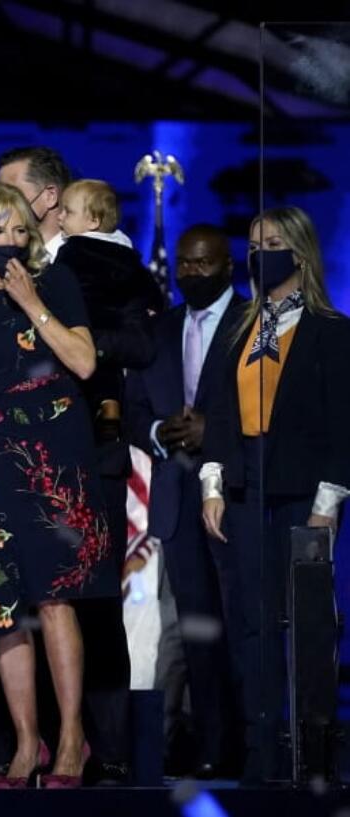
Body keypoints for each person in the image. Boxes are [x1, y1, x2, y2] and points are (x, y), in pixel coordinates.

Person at [0, 182, 116, 789]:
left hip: (55, 458)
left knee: (55, 597)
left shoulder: (56, 284)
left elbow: (85, 363)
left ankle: (71, 739)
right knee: (0, 606)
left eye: (19, 231)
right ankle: (25, 744)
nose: (10, 242)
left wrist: (33, 301)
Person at [0, 152, 154, 783]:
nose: (5, 208)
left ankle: (107, 752)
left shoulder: (102, 262)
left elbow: (142, 341)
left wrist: (78, 336)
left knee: (92, 601)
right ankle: (31, 741)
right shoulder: (11, 265)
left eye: (14, 195)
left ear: (52, 201)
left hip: (92, 451)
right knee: (26, 604)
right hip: (26, 455)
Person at [200, 206, 350, 783]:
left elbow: (342, 426)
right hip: (245, 484)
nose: (262, 252)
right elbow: (216, 408)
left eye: (275, 242)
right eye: (255, 242)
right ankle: (261, 756)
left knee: (306, 623)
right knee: (252, 622)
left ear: (301, 252)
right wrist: (214, 483)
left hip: (303, 490)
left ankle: (310, 756)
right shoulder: (240, 324)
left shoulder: (329, 330)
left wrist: (326, 503)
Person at [123, 224, 245, 778]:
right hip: (176, 496)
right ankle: (214, 748)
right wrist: (157, 431)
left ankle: (256, 742)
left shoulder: (254, 325)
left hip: (238, 497)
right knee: (196, 631)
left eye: (204, 264)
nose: (192, 273)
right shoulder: (162, 329)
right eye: (186, 266)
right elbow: (130, 407)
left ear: (228, 266)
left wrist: (212, 431)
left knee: (243, 625)